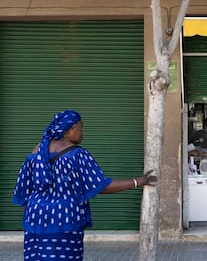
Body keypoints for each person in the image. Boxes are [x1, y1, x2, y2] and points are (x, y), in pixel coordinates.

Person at [12, 109, 157, 260]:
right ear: (70, 129)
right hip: (64, 218)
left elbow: (24, 189)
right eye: (81, 128)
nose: (83, 133)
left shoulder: (37, 151)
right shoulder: (77, 154)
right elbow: (101, 185)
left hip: (34, 216)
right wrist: (137, 182)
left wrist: (37, 211)